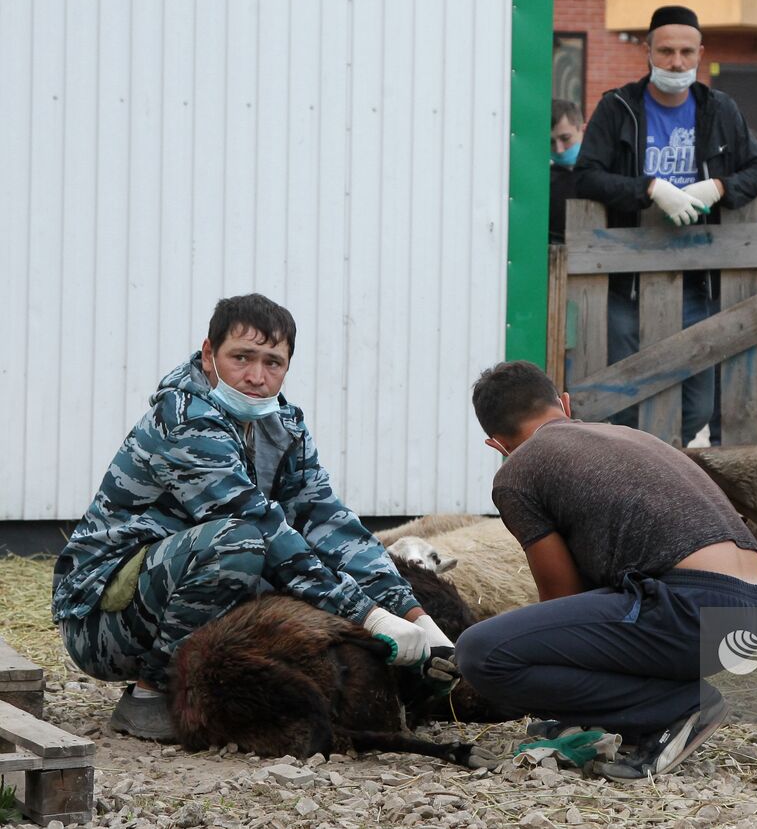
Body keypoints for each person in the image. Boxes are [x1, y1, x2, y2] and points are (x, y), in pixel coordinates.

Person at [51, 295, 456, 742]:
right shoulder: (184, 420)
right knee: (242, 543)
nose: (256, 378)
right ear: (209, 355)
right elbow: (258, 524)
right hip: (104, 618)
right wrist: (368, 616)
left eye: (273, 363)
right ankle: (151, 695)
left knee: (290, 562)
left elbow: (329, 521)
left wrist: (413, 613)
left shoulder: (283, 427)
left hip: (173, 588)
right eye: (241, 358)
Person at [457, 361, 757, 780]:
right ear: (565, 405)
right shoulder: (630, 435)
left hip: (689, 609)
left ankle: (679, 707)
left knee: (481, 653)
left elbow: (563, 597)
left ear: (495, 443)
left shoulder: (518, 472)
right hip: (755, 606)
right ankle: (635, 711)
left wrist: (553, 692)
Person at [575, 5, 757, 445]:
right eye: (665, 51)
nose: (676, 63)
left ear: (701, 53)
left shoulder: (718, 108)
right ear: (647, 51)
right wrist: (648, 189)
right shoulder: (618, 107)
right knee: (627, 390)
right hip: (625, 280)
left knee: (698, 403)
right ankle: (634, 467)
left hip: (697, 277)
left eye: (686, 52)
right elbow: (587, 174)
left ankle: (658, 462)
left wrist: (720, 187)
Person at [548, 98, 586, 245]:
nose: (559, 149)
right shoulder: (542, 178)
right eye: (551, 141)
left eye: (565, 138)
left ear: (583, 129)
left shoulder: (602, 171)